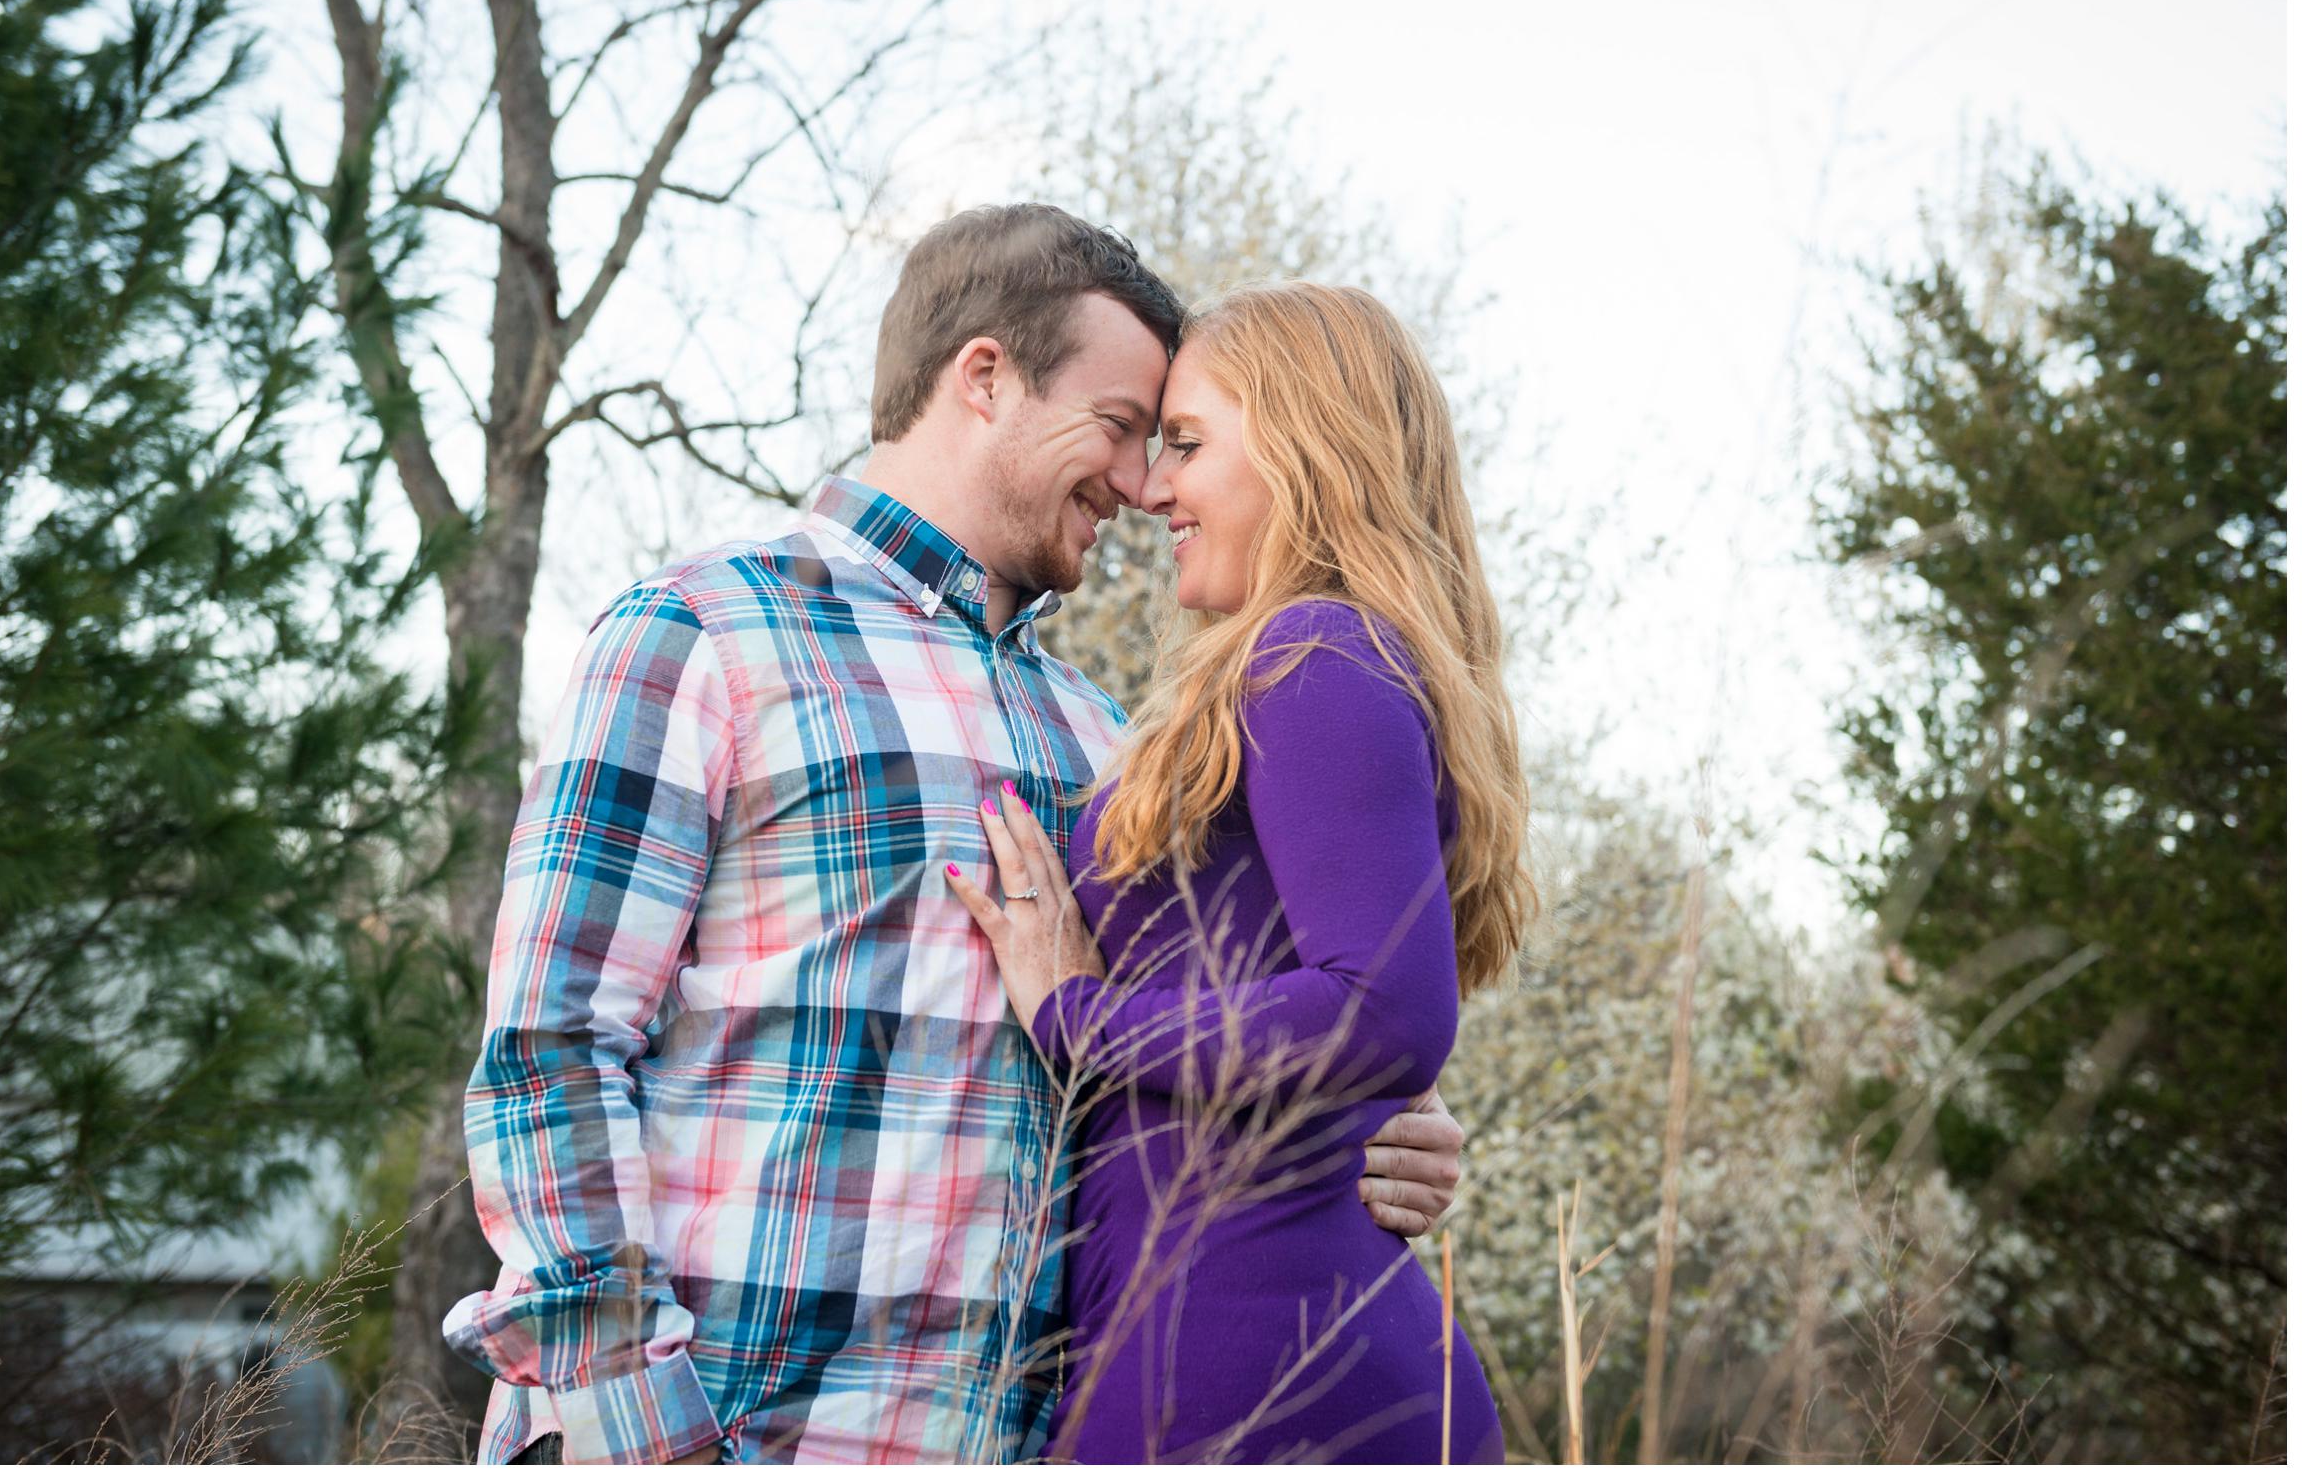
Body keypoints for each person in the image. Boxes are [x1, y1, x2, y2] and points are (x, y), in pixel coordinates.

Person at [442, 207, 1470, 1465]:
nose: (1146, 487)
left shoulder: (1109, 745)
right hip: (738, 1433)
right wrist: (640, 1431)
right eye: (1121, 428)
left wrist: (1367, 1129)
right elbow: (552, 1044)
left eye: (1170, 444)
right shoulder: (709, 633)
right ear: (984, 377)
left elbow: (1202, 1044)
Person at [946, 281, 1534, 1462]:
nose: (1152, 487)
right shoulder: (1308, 668)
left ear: (1312, 450)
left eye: (1189, 444)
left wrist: (1078, 1015)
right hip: (1216, 1336)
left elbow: (1384, 1009)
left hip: (1251, 1353)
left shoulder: (1312, 653)